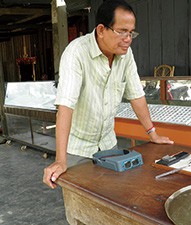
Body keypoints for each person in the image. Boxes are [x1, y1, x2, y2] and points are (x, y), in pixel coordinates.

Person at [43, 0, 173, 189]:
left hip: (108, 145)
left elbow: (136, 95)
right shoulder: (76, 53)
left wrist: (152, 134)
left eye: (131, 33)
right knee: (82, 208)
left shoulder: (125, 54)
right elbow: (66, 106)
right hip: (77, 149)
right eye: (122, 32)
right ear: (101, 30)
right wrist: (60, 160)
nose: (128, 39)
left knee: (112, 197)